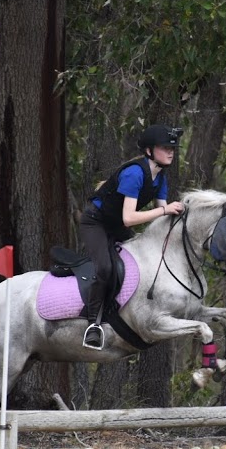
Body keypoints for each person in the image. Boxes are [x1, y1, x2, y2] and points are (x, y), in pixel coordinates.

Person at [78, 124, 186, 349]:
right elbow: (129, 218)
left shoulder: (160, 177)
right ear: (149, 151)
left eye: (172, 148)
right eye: (165, 147)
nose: (171, 152)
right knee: (106, 268)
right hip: (96, 224)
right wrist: (166, 210)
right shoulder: (134, 173)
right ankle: (93, 324)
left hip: (116, 225)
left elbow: (161, 217)